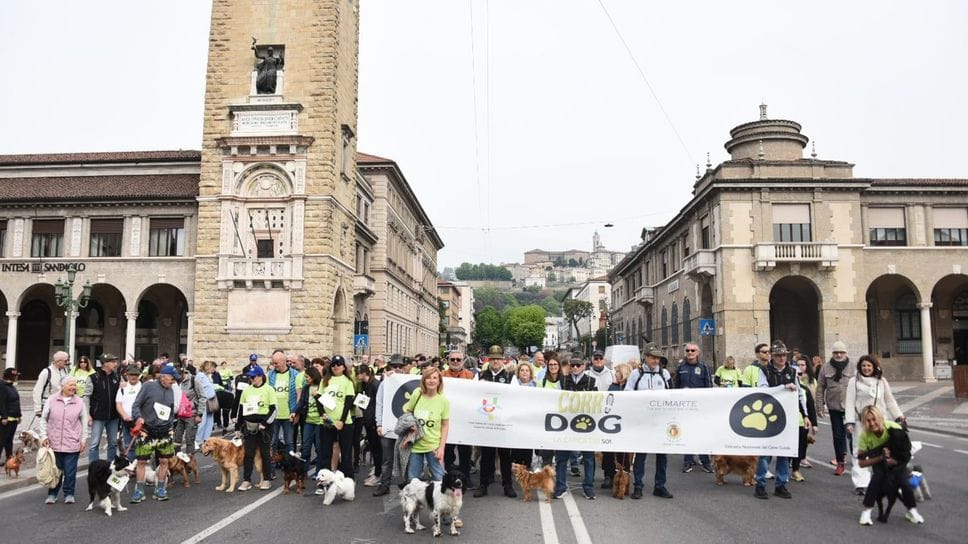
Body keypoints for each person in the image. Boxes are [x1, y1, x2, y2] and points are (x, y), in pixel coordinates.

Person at [751, 340, 809, 500]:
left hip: (788, 416)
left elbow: (800, 394)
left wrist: (806, 415)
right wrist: (783, 388)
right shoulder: (765, 371)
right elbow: (763, 390)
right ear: (772, 357)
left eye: (784, 355)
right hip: (769, 416)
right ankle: (760, 484)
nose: (782, 358)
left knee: (784, 451)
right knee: (766, 452)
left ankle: (781, 484)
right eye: (778, 356)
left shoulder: (791, 371)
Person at [856, 405, 924, 525]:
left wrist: (895, 460)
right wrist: (881, 457)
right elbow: (861, 463)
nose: (872, 423)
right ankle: (866, 513)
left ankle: (912, 511)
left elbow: (905, 450)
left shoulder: (893, 427)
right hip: (878, 461)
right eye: (868, 420)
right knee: (876, 479)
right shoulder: (864, 435)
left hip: (898, 460)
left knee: (903, 482)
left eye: (874, 419)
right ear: (864, 422)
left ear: (880, 418)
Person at [625, 344, 673, 499]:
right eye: (653, 357)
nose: (656, 360)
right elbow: (627, 394)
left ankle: (660, 485)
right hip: (642, 421)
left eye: (658, 357)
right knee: (641, 454)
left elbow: (672, 394)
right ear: (645, 357)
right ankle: (638, 485)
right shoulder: (636, 374)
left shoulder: (664, 374)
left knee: (662, 455)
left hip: (660, 422)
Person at [130, 365, 179, 502]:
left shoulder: (171, 389)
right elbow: (136, 405)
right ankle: (139, 490)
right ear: (163, 377)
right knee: (141, 461)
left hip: (164, 431)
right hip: (147, 430)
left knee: (164, 461)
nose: (173, 382)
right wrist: (138, 417)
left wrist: (170, 425)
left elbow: (170, 409)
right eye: (172, 379)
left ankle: (160, 489)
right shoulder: (148, 386)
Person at [38, 377, 89, 505]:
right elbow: (44, 419)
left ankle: (69, 493)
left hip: (72, 442)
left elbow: (84, 422)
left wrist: (83, 439)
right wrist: (43, 436)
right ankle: (52, 493)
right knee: (55, 470)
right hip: (53, 442)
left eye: (74, 385)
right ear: (62, 386)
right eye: (70, 385)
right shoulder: (52, 399)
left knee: (70, 471)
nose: (73, 387)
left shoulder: (79, 402)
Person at [474, 345, 515, 498]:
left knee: (505, 456)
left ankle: (507, 485)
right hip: (486, 420)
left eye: (498, 358)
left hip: (503, 422)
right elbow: (472, 395)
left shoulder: (511, 377)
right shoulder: (480, 376)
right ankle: (483, 484)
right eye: (492, 358)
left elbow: (516, 398)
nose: (495, 361)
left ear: (503, 359)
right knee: (486, 455)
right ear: (488, 360)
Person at [555, 357, 598, 500]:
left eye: (578, 365)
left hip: (586, 425)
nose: (574, 367)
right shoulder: (562, 381)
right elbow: (554, 400)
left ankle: (588, 488)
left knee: (588, 458)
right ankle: (560, 487)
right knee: (561, 458)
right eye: (572, 365)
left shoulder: (592, 382)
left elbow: (597, 402)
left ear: (583, 366)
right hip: (566, 424)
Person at [403, 367, 450, 482]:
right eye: (428, 377)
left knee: (439, 479)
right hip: (415, 445)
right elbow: (409, 412)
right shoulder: (417, 394)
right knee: (413, 480)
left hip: (433, 445)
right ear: (423, 380)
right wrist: (411, 425)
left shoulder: (443, 401)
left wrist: (441, 448)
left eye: (435, 378)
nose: (431, 380)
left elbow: (445, 425)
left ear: (439, 381)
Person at [816, 340, 856, 475]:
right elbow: (820, 387)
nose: (839, 355)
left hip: (851, 408)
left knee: (852, 435)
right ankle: (840, 462)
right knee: (838, 436)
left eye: (841, 352)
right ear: (832, 353)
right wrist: (819, 406)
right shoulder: (825, 368)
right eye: (836, 353)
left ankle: (857, 461)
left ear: (845, 353)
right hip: (834, 407)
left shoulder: (853, 367)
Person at [674, 343, 714, 473]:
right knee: (686, 434)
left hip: (700, 408)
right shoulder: (680, 367)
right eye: (687, 350)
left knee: (702, 434)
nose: (690, 352)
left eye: (693, 350)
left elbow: (709, 387)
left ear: (698, 352)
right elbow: (676, 387)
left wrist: (708, 406)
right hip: (685, 408)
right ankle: (688, 461)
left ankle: (705, 461)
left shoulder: (704, 367)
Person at [236, 365, 275, 491]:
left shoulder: (269, 390)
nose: (251, 379)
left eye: (253, 377)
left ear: (260, 377)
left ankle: (267, 479)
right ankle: (247, 480)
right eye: (250, 377)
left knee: (265, 453)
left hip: (264, 426)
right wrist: (238, 427)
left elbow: (273, 409)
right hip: (249, 426)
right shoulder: (247, 390)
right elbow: (241, 409)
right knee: (249, 453)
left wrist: (265, 423)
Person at [373, 354, 407, 497]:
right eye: (394, 366)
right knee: (387, 458)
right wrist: (379, 423)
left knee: (406, 457)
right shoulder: (384, 383)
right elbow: (379, 403)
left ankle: (406, 483)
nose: (397, 369)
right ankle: (384, 484)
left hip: (405, 426)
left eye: (400, 366)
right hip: (388, 425)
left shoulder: (409, 381)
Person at [442, 352, 474, 489]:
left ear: (463, 360)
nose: (455, 361)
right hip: (446, 419)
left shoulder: (470, 376)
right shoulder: (441, 375)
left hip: (464, 420)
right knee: (448, 451)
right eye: (452, 359)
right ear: (448, 360)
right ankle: (448, 478)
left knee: (465, 451)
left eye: (458, 359)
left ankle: (466, 477)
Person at [320, 355, 356, 478]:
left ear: (343, 367)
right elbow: (319, 398)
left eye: (338, 365)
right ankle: (325, 479)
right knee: (326, 452)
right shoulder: (325, 380)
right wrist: (322, 414)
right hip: (328, 421)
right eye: (333, 365)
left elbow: (348, 401)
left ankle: (348, 479)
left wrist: (342, 420)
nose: (336, 367)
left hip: (344, 422)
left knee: (345, 452)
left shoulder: (347, 381)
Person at [600, 363, 632, 491]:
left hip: (624, 423)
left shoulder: (630, 387)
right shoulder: (612, 386)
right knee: (607, 451)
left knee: (622, 452)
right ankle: (608, 475)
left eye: (617, 372)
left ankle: (624, 476)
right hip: (611, 423)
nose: (615, 374)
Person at [86, 353, 121, 463]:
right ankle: (93, 466)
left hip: (114, 416)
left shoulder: (117, 377)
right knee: (94, 443)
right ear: (105, 363)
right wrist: (88, 414)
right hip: (98, 416)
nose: (115, 364)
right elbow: (86, 397)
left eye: (115, 361)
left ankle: (111, 466)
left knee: (113, 443)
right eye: (112, 362)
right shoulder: (93, 377)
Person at [294, 366, 326, 476]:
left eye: (307, 377)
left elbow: (325, 402)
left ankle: (319, 472)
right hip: (308, 421)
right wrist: (294, 412)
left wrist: (316, 395)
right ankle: (303, 471)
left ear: (313, 376)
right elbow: (301, 402)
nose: (306, 379)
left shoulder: (322, 386)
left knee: (319, 447)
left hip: (319, 421)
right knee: (306, 447)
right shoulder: (306, 388)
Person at [267, 349, 298, 461]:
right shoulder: (270, 375)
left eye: (276, 363)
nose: (274, 366)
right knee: (273, 442)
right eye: (273, 363)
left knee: (289, 442)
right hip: (274, 415)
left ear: (284, 361)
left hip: (288, 414)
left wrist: (296, 412)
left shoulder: (294, 375)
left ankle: (290, 465)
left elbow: (299, 394)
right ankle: (272, 467)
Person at [792, 355, 819, 479]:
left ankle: (796, 469)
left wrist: (814, 423)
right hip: (788, 421)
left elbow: (810, 407)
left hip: (801, 422)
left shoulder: (804, 390)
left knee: (801, 445)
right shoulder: (787, 388)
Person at [357, 365, 382, 486]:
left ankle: (378, 474)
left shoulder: (375, 385)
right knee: (373, 447)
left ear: (364, 373)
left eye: (358, 373)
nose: (357, 376)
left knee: (377, 449)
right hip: (368, 419)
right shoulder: (365, 385)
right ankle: (377, 471)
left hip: (373, 421)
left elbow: (380, 403)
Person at [115, 364, 143, 461]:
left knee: (142, 446)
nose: (133, 376)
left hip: (140, 422)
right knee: (129, 446)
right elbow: (118, 404)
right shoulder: (122, 388)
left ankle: (140, 468)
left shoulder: (143, 387)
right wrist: (124, 415)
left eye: (135, 374)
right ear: (127, 375)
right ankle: (131, 469)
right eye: (131, 374)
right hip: (127, 421)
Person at [33, 351, 70, 418]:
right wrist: (38, 409)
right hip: (48, 404)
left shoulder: (65, 370)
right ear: (58, 361)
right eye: (66, 361)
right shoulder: (46, 372)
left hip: (62, 403)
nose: (67, 363)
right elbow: (37, 390)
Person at [193, 361, 218, 447]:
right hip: (203, 401)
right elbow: (196, 389)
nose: (213, 369)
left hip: (210, 401)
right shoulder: (200, 376)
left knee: (209, 421)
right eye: (212, 367)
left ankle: (206, 439)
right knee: (202, 422)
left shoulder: (208, 376)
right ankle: (197, 440)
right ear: (207, 367)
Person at [0, 368, 22, 462]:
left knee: (9, 440)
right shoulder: (2, 386)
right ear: (10, 376)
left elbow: (16, 402)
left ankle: (9, 458)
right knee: (1, 440)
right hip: (6, 419)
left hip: (14, 418)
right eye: (15, 376)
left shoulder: (11, 386)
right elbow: (1, 402)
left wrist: (19, 415)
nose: (16, 377)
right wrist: (4, 416)